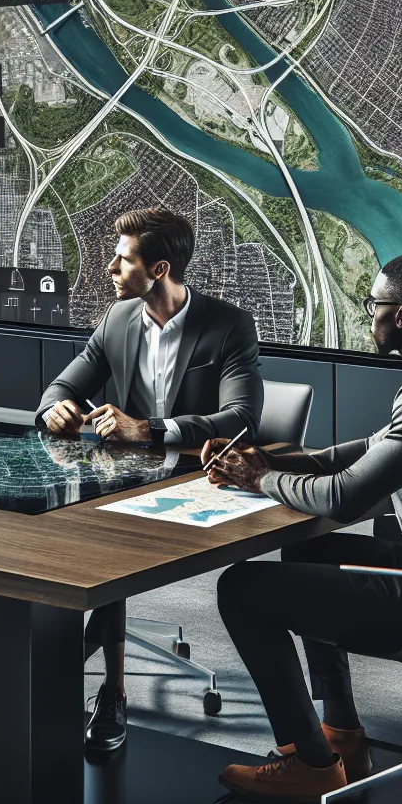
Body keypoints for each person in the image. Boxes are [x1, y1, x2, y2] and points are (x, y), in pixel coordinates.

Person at [202, 252, 402, 804]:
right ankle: (342, 734)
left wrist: (259, 480)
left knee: (241, 588)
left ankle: (311, 765)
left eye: (374, 305)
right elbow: (369, 450)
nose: (370, 315)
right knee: (307, 551)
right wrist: (273, 461)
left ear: (400, 316)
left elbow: (344, 498)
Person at [34, 207, 263, 752]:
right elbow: (60, 387)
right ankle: (60, 660)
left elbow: (242, 419)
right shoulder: (118, 319)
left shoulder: (228, 325)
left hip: (195, 478)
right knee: (58, 534)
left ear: (159, 269)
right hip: (124, 479)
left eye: (124, 259)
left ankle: (111, 691)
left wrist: (150, 429)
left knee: (109, 546)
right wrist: (55, 409)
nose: (110, 268)